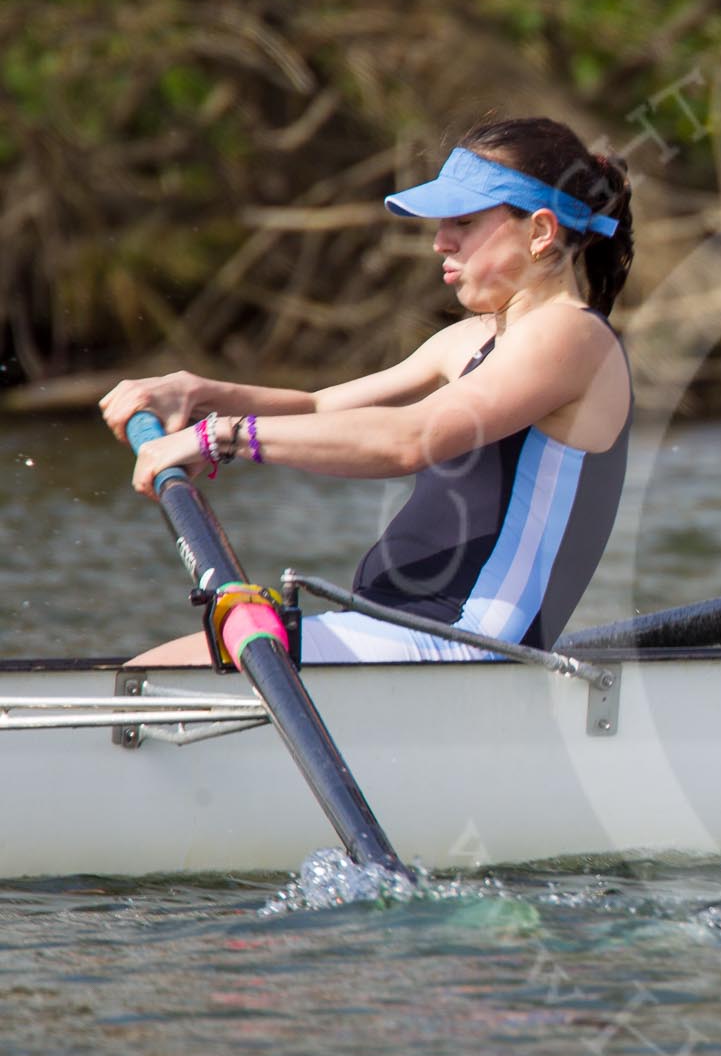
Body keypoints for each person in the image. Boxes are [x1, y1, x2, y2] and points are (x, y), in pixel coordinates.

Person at [100, 116, 635, 664]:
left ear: (541, 232)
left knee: (145, 676)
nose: (438, 242)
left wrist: (220, 438)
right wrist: (197, 392)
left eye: (464, 222)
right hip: (397, 627)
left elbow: (409, 439)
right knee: (142, 679)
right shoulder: (473, 338)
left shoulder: (572, 335)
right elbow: (319, 405)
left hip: (463, 643)